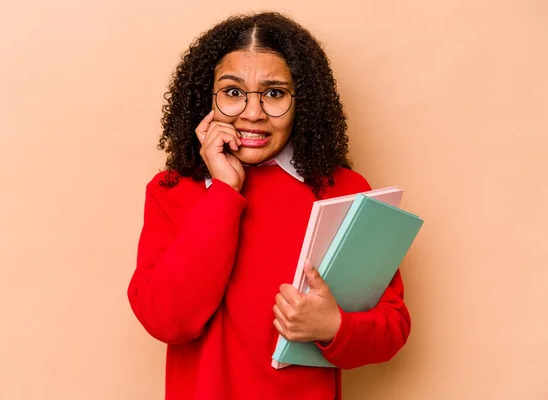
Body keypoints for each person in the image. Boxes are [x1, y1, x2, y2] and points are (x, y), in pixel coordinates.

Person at [127, 11, 411, 400]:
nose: (253, 112)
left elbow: (392, 326)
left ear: (302, 102)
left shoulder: (343, 189)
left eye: (274, 93)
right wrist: (225, 190)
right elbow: (168, 321)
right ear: (205, 100)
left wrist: (334, 326)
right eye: (232, 92)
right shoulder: (173, 190)